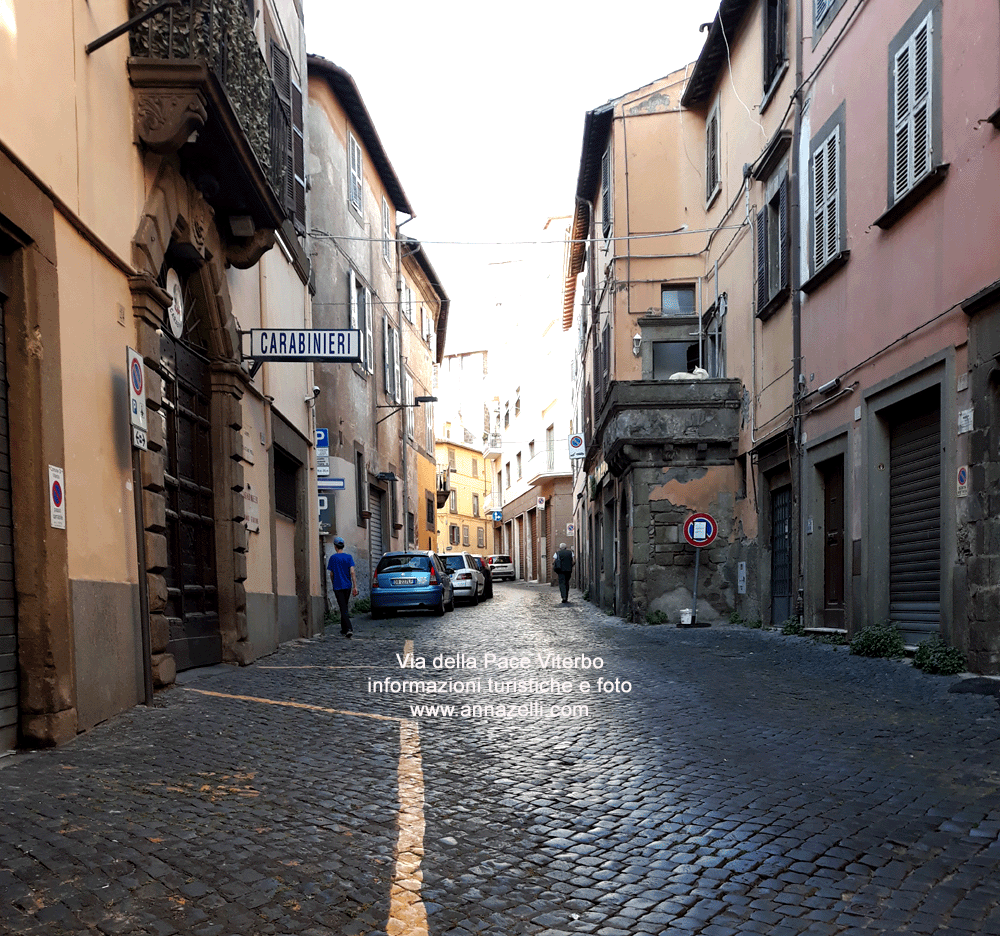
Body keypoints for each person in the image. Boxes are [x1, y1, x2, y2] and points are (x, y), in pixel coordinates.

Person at [327, 536, 358, 637]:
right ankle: (343, 629)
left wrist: (333, 583)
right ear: (343, 546)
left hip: (337, 586)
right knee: (344, 606)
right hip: (347, 586)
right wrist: (355, 586)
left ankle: (348, 628)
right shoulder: (349, 557)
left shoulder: (333, 558)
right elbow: (352, 572)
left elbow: (331, 574)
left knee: (343, 607)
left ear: (335, 547)